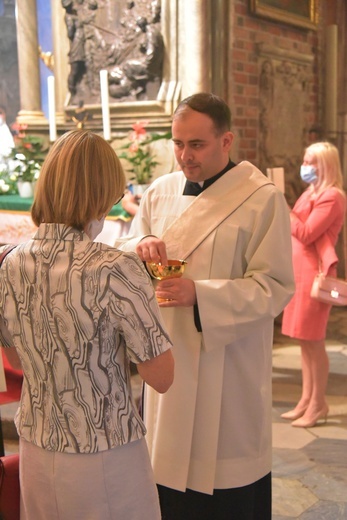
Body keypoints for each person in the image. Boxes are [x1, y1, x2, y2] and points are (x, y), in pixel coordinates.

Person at [115, 92, 295, 520]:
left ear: (226, 141)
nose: (184, 156)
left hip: (227, 364)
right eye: (177, 143)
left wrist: (202, 295)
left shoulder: (260, 198)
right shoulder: (159, 192)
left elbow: (275, 285)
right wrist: (140, 243)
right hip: (167, 355)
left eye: (196, 145)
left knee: (223, 488)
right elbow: (124, 252)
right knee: (166, 480)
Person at [0, 130, 174, 520]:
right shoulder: (115, 267)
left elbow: (13, 351)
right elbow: (161, 376)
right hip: (104, 451)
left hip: (38, 444)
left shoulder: (10, 261)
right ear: (98, 196)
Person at [281, 141, 346, 428]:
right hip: (298, 272)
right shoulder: (311, 192)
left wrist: (284, 209)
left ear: (326, 165)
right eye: (305, 160)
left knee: (314, 341)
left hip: (313, 274)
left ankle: (318, 403)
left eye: (311, 162)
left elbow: (306, 233)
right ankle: (306, 399)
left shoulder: (332, 196)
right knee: (303, 341)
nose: (305, 166)